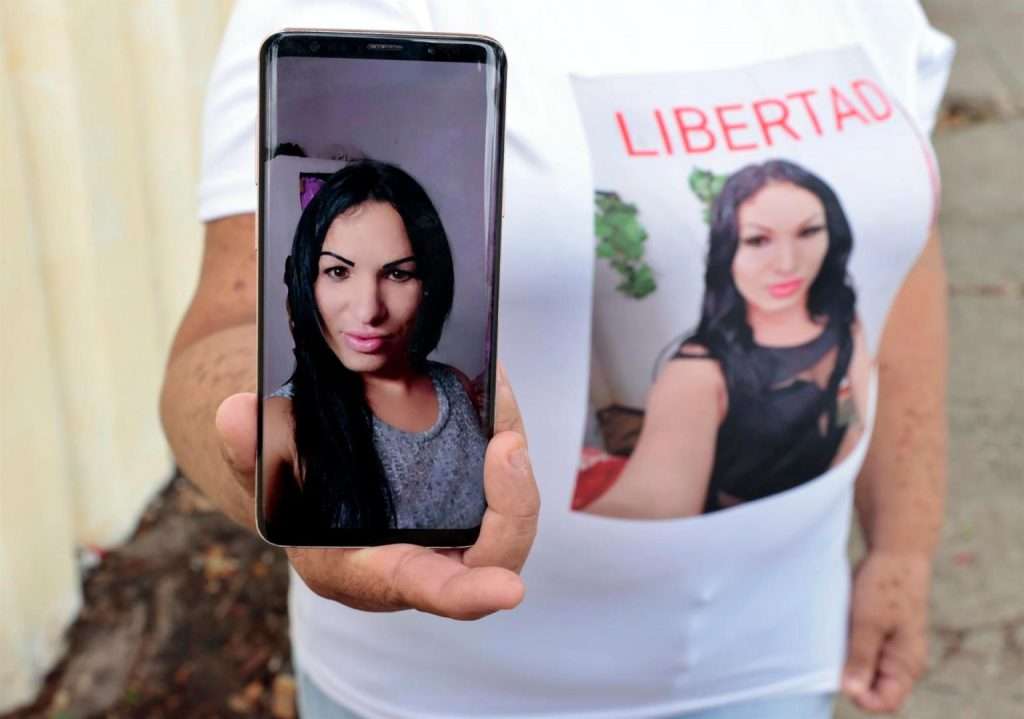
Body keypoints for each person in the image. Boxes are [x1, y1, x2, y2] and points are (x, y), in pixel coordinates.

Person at [161, 1, 953, 716]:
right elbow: (225, 327)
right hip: (439, 694)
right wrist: (281, 461)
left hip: (777, 660)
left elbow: (904, 252)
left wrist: (902, 549)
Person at [583, 160, 871, 518]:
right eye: (758, 240)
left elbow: (856, 430)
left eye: (808, 232)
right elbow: (658, 501)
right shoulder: (699, 373)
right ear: (728, 249)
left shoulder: (843, 321)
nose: (787, 262)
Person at [263, 160, 487, 534]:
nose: (369, 310)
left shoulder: (457, 388)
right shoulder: (280, 423)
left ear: (429, 283)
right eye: (338, 272)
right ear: (307, 280)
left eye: (398, 274)